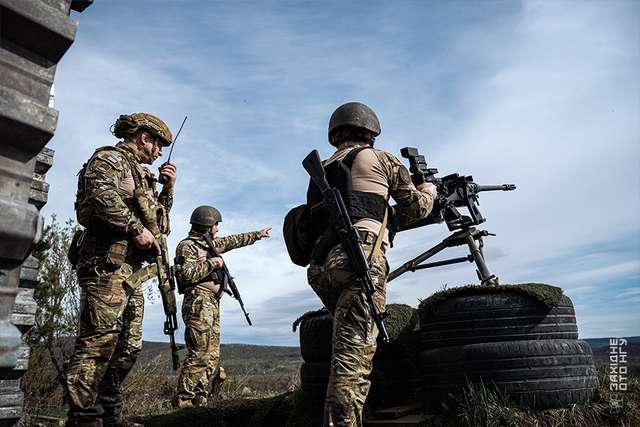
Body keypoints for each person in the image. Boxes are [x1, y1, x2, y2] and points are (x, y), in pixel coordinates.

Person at [306, 102, 438, 427]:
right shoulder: (380, 158)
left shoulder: (322, 168)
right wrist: (430, 190)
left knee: (345, 353)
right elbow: (416, 209)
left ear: (335, 134)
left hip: (323, 266)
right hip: (359, 260)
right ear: (370, 132)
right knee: (351, 365)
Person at [66, 113, 178, 427]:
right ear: (144, 137)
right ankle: (83, 419)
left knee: (128, 347)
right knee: (97, 344)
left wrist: (167, 190)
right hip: (106, 267)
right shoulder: (110, 159)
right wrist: (133, 228)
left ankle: (108, 416)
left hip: (131, 275)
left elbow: (158, 226)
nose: (159, 152)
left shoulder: (142, 176)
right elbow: (99, 195)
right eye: (158, 145)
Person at [173, 205, 271, 408]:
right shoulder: (187, 246)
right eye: (216, 225)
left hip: (211, 302)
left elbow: (234, 241)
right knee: (199, 351)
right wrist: (213, 264)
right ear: (208, 225)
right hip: (198, 301)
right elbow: (185, 275)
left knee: (212, 354)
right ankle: (184, 398)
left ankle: (200, 397)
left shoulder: (210, 245)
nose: (218, 229)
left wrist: (257, 235)